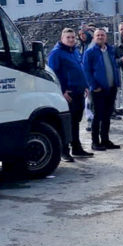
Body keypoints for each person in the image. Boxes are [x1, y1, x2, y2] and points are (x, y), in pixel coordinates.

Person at [47, 28, 93, 159]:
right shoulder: (56, 53)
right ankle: (64, 151)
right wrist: (61, 91)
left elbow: (80, 69)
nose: (71, 40)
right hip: (68, 94)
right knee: (66, 123)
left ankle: (76, 148)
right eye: (68, 37)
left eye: (73, 37)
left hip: (79, 92)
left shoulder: (74, 51)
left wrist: (84, 85)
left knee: (75, 122)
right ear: (62, 39)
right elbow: (52, 74)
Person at [82, 28, 121, 151]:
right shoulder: (90, 52)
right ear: (94, 38)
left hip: (111, 88)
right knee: (97, 116)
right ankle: (95, 142)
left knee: (107, 115)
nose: (100, 37)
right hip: (98, 89)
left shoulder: (110, 50)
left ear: (106, 37)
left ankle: (105, 140)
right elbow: (86, 70)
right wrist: (94, 86)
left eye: (102, 35)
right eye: (97, 35)